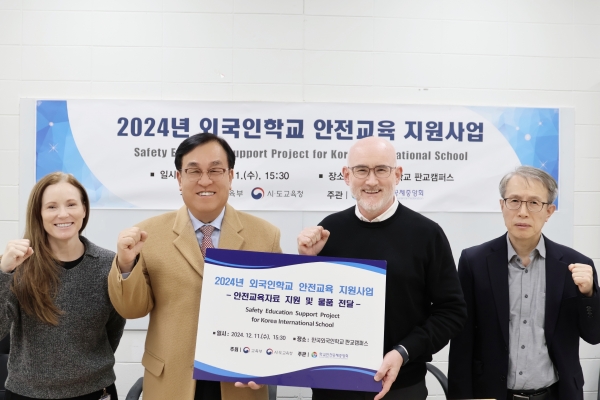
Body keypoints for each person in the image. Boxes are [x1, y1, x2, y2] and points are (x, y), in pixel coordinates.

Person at [108, 133, 281, 400]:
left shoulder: (265, 235)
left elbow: (276, 316)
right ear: (179, 178)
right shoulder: (147, 234)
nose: (205, 180)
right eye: (194, 171)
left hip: (239, 384)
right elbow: (132, 309)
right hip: (171, 381)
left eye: (215, 170)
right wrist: (126, 263)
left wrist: (267, 365)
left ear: (231, 176)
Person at [297, 136, 467, 400]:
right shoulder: (329, 231)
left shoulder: (426, 234)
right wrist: (308, 262)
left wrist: (403, 352)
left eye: (381, 170)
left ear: (397, 175)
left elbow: (452, 312)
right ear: (347, 175)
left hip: (401, 386)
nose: (371, 181)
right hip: (333, 385)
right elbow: (310, 310)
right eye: (361, 170)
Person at [447, 166, 600, 400]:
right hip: (492, 394)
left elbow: (594, 335)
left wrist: (588, 296)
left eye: (534, 203)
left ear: (549, 211)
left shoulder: (575, 265)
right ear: (502, 206)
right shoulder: (474, 262)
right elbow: (462, 341)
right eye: (514, 201)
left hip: (557, 394)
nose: (522, 212)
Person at [0, 172, 125, 400]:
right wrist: (4, 273)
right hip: (27, 394)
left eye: (71, 204)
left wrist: (87, 368)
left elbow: (114, 328)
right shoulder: (17, 264)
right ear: (38, 213)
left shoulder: (108, 264)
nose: (63, 214)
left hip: (95, 391)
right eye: (51, 207)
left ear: (84, 209)